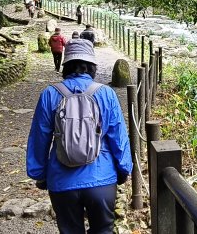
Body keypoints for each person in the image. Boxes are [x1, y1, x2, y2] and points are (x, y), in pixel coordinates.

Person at [27, 39, 132, 234]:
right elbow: (119, 136)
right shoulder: (106, 94)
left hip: (62, 181)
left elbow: (39, 139)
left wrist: (39, 174)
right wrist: (124, 169)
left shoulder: (50, 94)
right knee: (103, 230)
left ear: (66, 65)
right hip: (102, 179)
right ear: (92, 66)